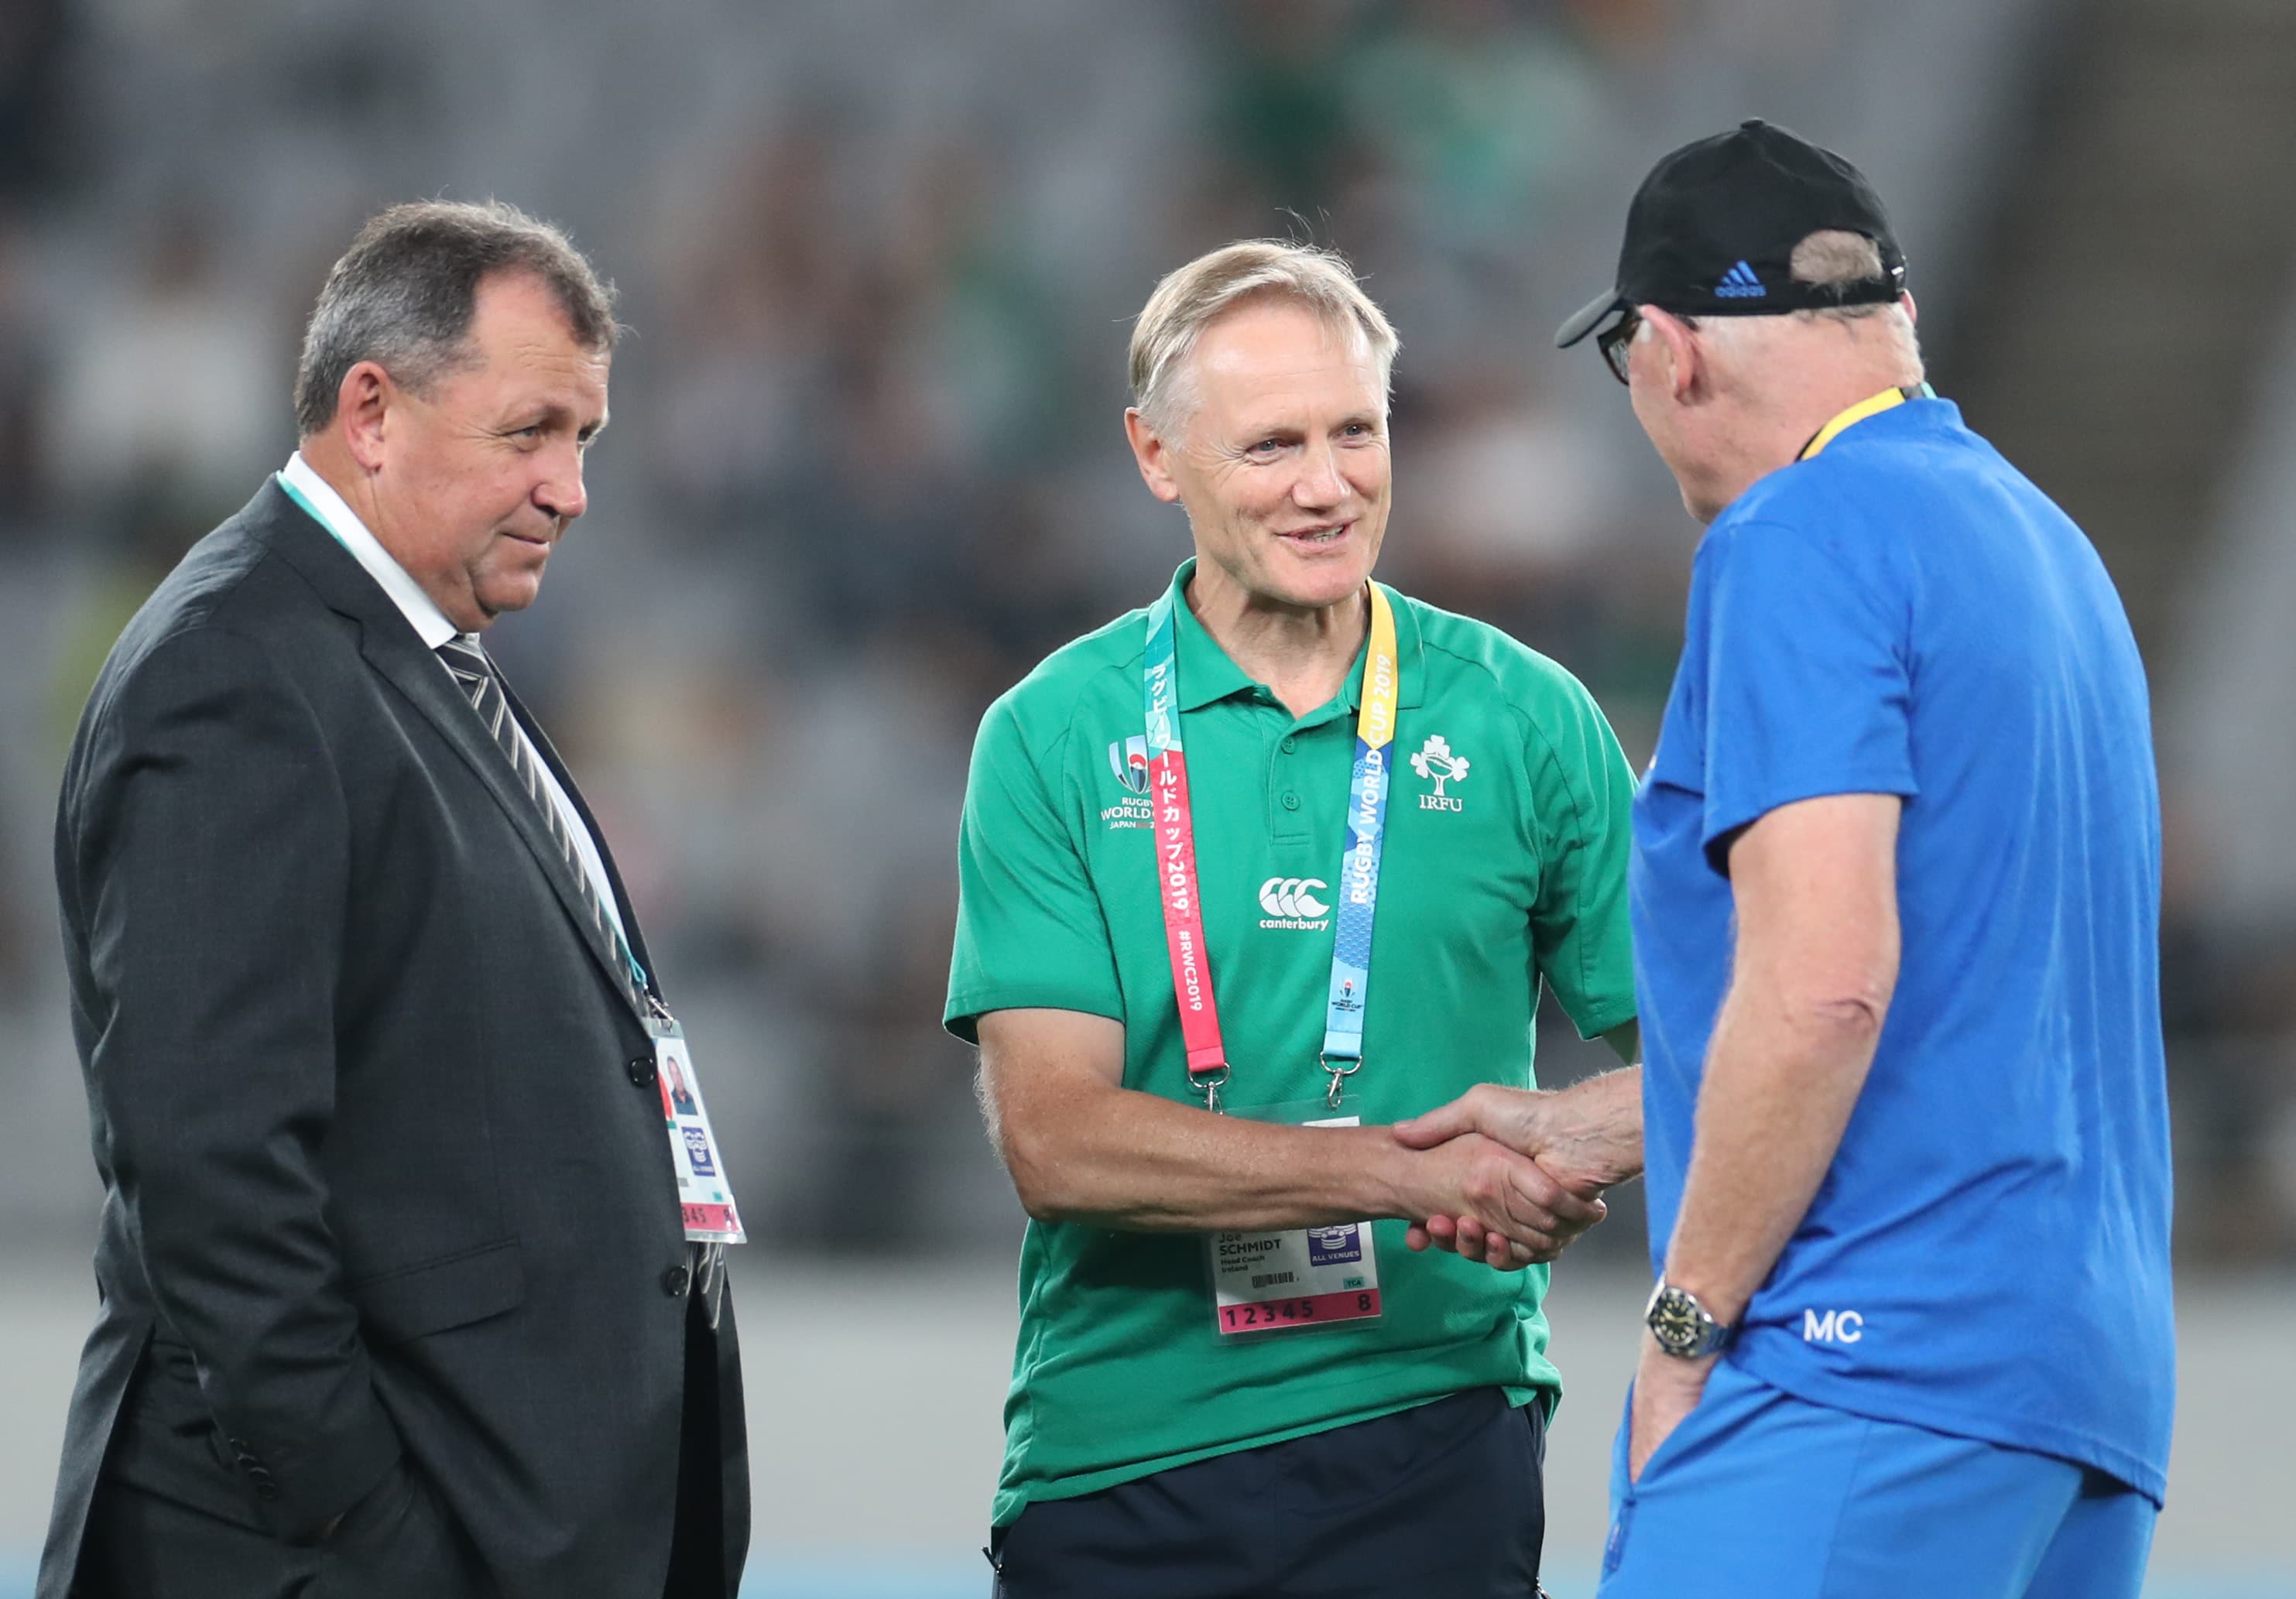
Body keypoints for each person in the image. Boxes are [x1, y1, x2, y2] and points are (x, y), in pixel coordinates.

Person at [1398, 120, 2174, 1597]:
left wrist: (1686, 1321)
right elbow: (1975, 994)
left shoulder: (1796, 533)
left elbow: (1822, 990)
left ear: (1666, 355)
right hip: (2077, 1398)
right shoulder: (2046, 548)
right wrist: (1609, 1123)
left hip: (1862, 1363)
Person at [39, 200, 749, 1599]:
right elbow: (217, 1181)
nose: (571, 488)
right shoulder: (234, 673)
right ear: (372, 411)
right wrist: (370, 1533)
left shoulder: (409, 656)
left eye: (585, 440)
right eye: (530, 431)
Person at [944, 239, 1642, 1599]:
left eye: (1355, 434)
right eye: (1270, 446)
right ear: (1156, 454)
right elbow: (1055, 1139)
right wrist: (1410, 1170)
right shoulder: (1053, 734)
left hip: (1435, 1431)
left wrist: (1581, 1145)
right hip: (1121, 1453)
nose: (1327, 487)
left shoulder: (1526, 715)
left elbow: (1710, 1058)